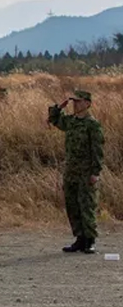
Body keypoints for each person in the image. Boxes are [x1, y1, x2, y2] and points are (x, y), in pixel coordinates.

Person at [48, 90, 104, 254]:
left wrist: (95, 172)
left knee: (87, 205)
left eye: (79, 102)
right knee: (72, 205)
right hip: (71, 170)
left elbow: (98, 150)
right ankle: (79, 238)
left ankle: (90, 240)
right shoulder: (71, 121)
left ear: (87, 103)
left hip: (86, 171)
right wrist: (60, 106)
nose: (75, 105)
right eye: (74, 102)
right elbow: (54, 119)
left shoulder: (92, 125)